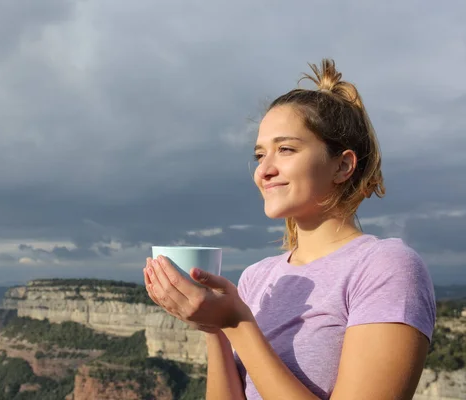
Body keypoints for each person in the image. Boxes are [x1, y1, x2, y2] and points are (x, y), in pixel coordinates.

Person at [143, 58, 436, 400]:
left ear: (342, 165)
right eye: (259, 155)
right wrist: (215, 328)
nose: (264, 170)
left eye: (285, 149)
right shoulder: (257, 278)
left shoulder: (385, 267)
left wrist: (237, 324)